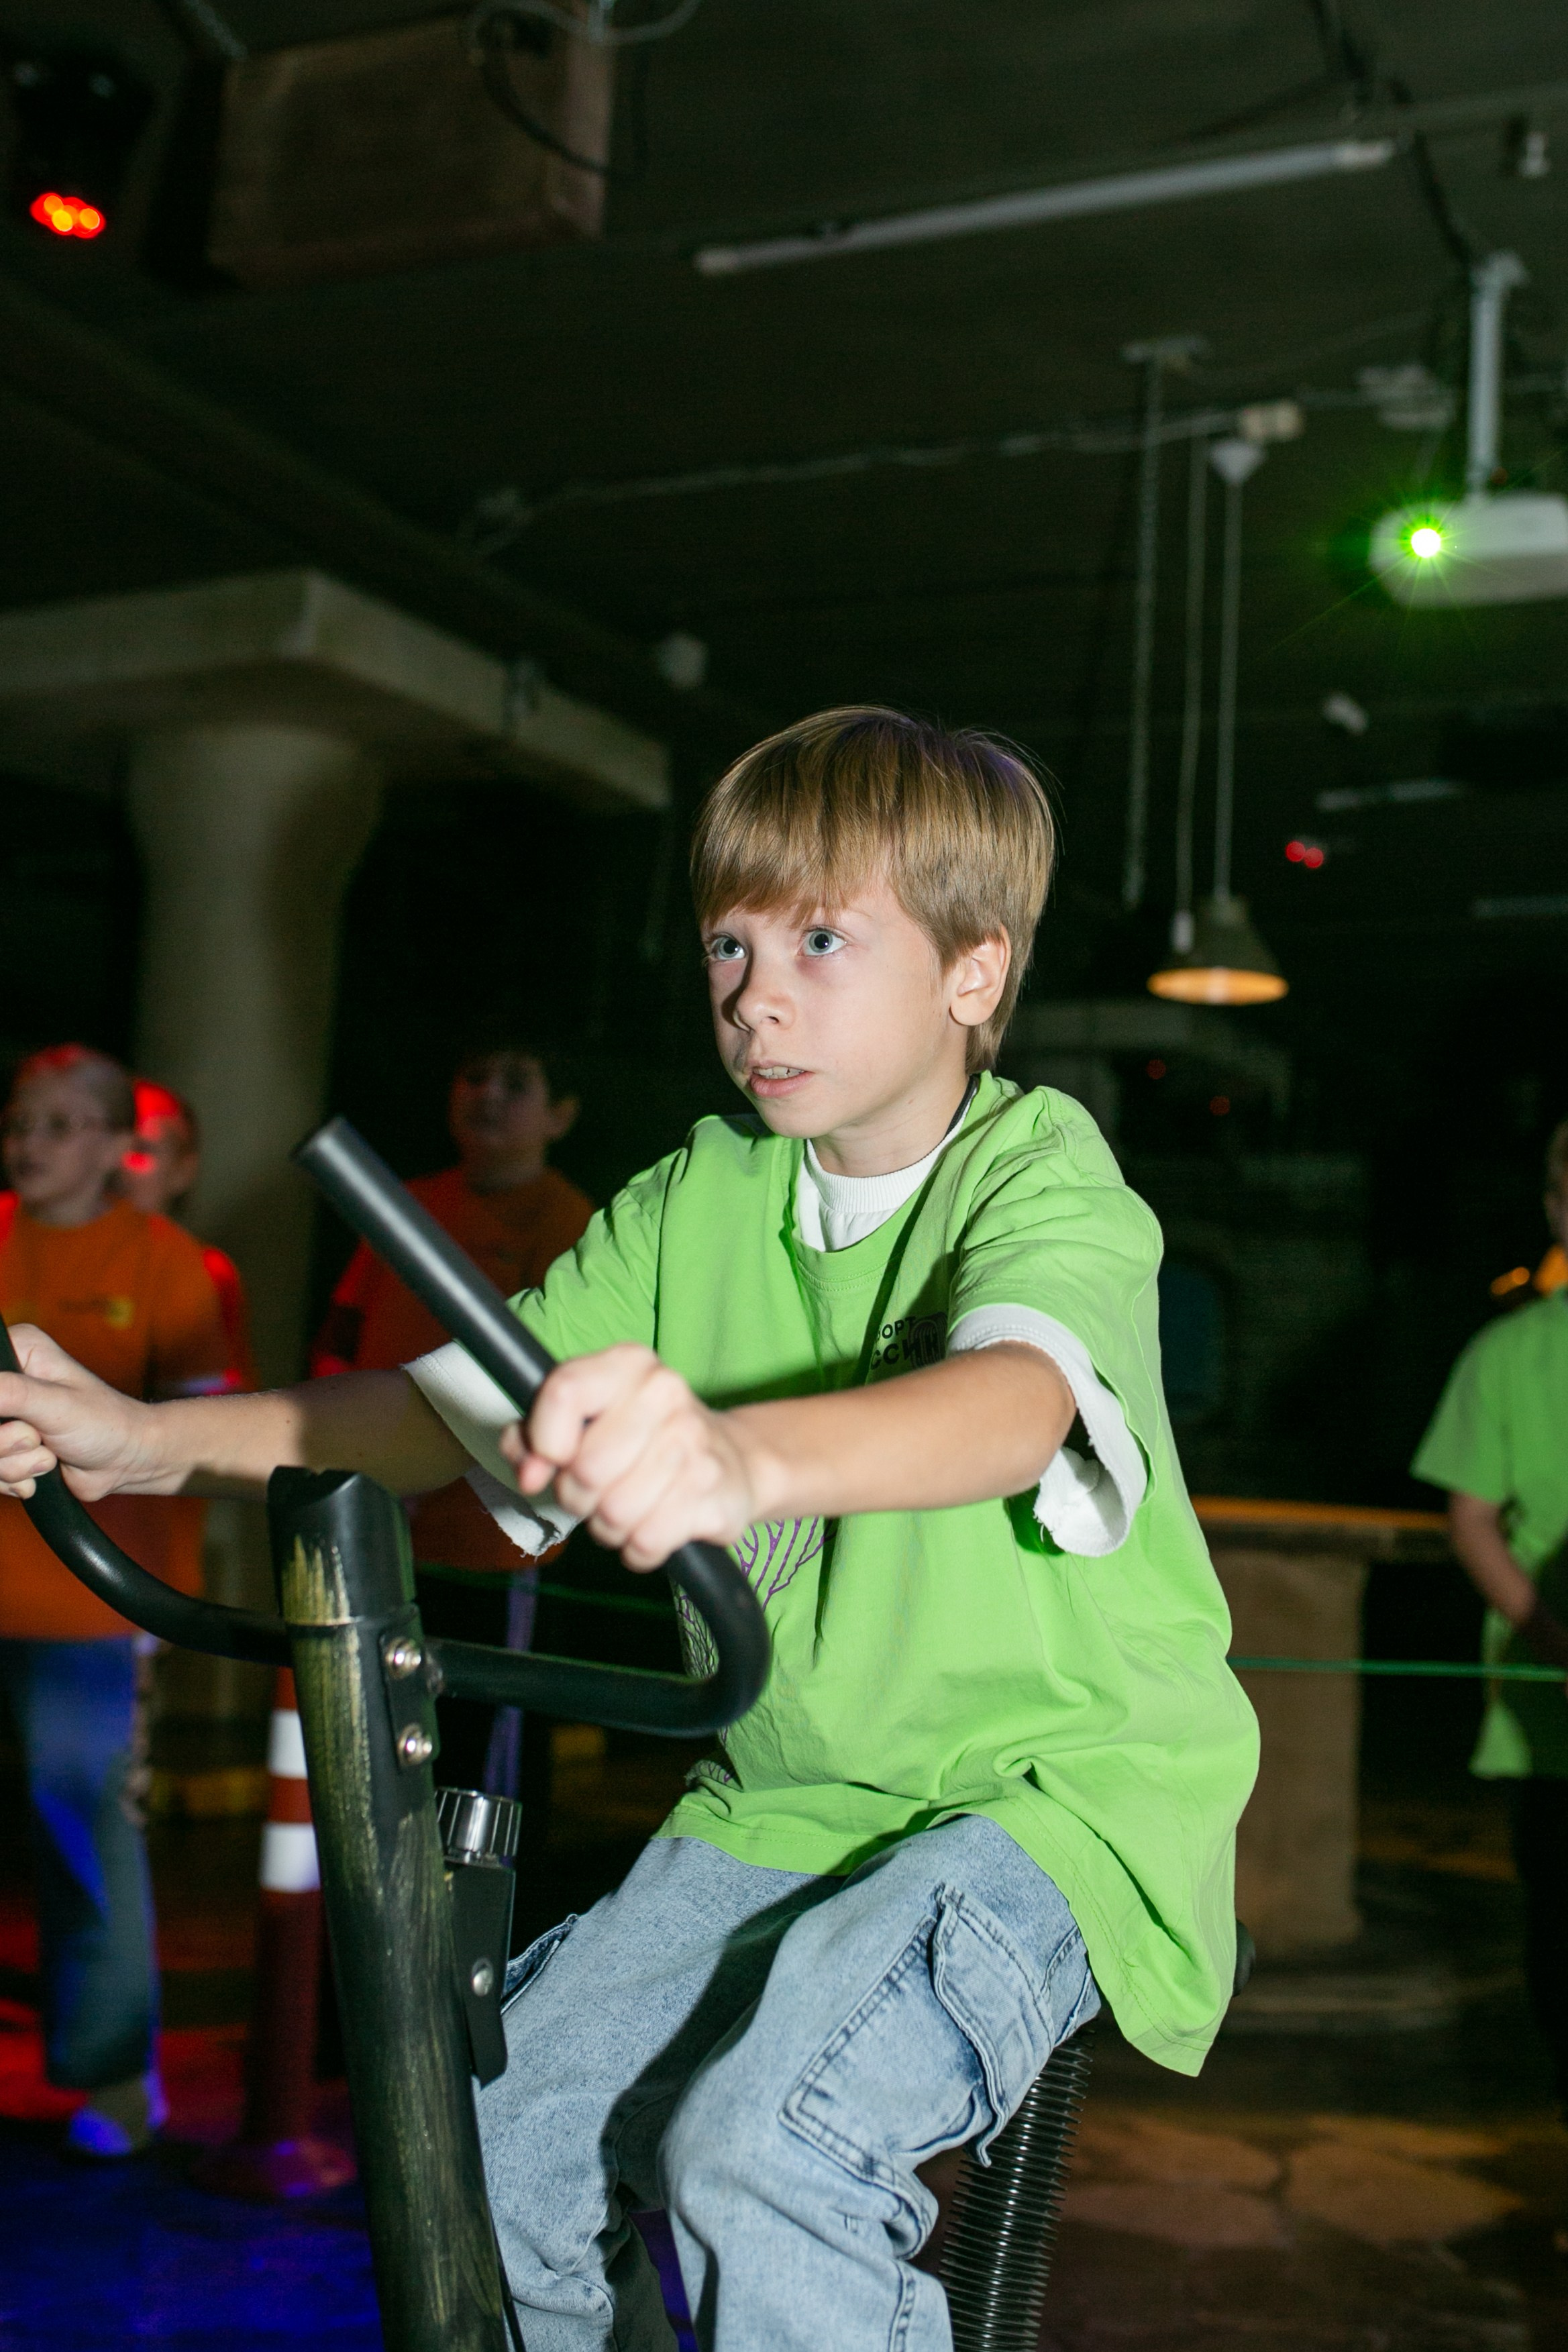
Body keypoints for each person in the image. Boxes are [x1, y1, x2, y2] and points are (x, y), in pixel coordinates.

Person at [0, 709, 1257, 2349]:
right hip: (790, 1799)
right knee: (493, 2134)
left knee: (762, 2141)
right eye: (730, 944)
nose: (754, 993)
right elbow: (452, 1405)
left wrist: (732, 1457)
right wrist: (148, 1441)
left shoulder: (1037, 1172)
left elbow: (1011, 1400)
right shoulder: (695, 1196)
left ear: (972, 970)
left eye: (818, 939)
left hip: (1051, 1796)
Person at [0, 1045, 238, 2159]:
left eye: (59, 1124)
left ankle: (115, 2075)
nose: (29, 1143)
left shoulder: (167, 1261)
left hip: (90, 1609)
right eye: (21, 1120)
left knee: (84, 1830)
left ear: (111, 1145)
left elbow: (203, 1451)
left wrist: (159, 1608)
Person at [310, 1040, 591, 1796]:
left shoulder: (570, 1223)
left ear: (560, 1115)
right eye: (474, 1075)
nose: (488, 1094)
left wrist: (429, 1471)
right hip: (378, 1534)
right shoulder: (404, 1207)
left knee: (477, 1775)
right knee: (372, 1759)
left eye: (516, 1082)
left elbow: (557, 1389)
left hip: (492, 1545)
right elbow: (340, 1342)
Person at [1414, 1117, 1568, 2125]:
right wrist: (1547, 1631)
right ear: (1556, 1208)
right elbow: (1470, 1516)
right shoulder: (1508, 1352)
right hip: (1552, 1718)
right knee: (1559, 1939)